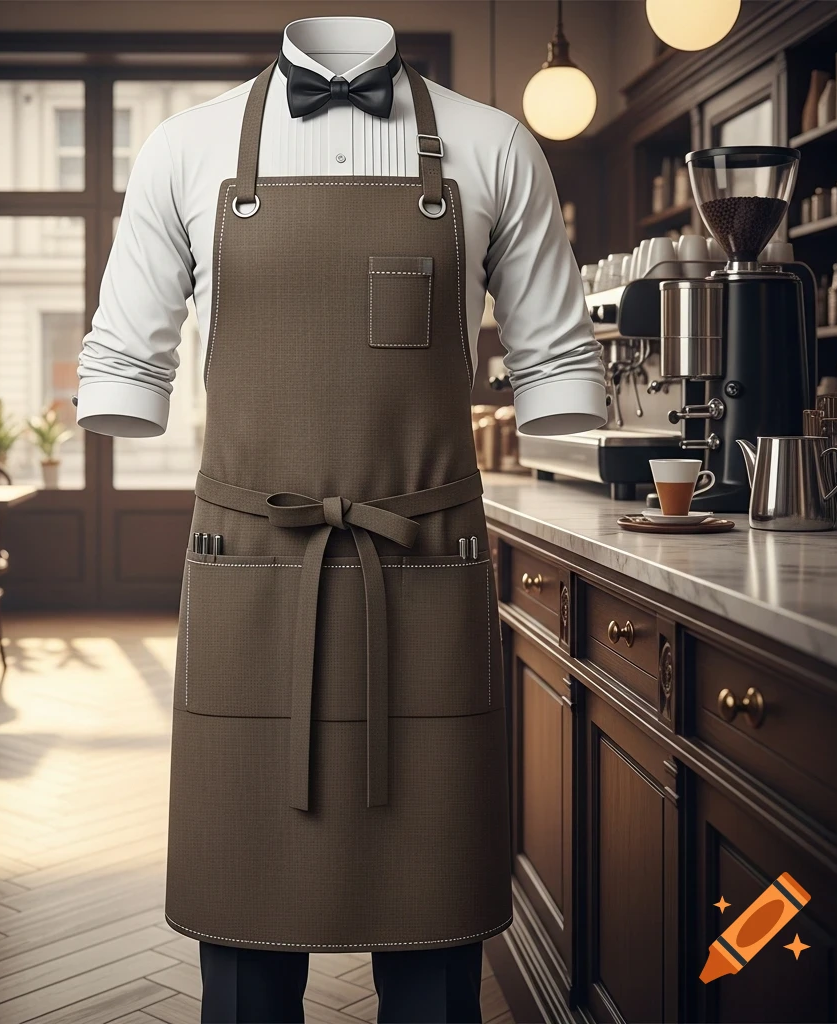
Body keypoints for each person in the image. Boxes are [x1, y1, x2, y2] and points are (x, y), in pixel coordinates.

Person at [77, 17, 605, 1023]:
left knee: (436, 936)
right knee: (240, 938)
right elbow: (121, 365)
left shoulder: (494, 146)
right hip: (249, 573)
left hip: (423, 572)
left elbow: (557, 362)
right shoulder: (186, 148)